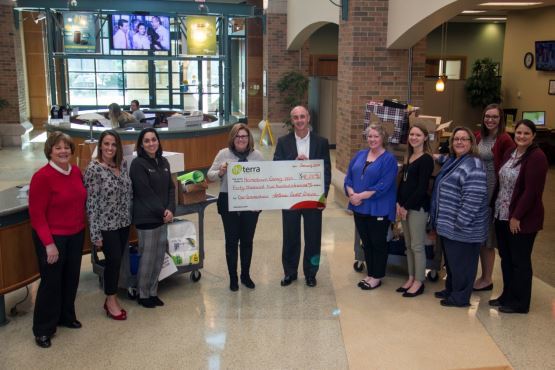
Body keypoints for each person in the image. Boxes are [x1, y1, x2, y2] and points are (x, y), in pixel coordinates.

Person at [28, 132, 87, 348]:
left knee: (71, 279)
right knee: (51, 283)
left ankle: (66, 316)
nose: (63, 151)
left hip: (76, 233)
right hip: (53, 238)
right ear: (50, 151)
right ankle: (43, 329)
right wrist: (49, 244)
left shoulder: (76, 172)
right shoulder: (42, 177)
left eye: (67, 147)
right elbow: (37, 216)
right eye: (58, 148)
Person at [490, 119, 548, 314]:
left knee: (520, 261)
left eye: (526, 133)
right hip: (502, 214)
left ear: (533, 136)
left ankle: (521, 302)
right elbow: (501, 182)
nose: (521, 136)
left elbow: (532, 192)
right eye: (519, 133)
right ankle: (507, 295)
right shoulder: (510, 153)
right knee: (506, 258)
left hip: (521, 218)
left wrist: (516, 216)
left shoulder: (537, 157)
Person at [273, 106, 331, 287]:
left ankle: (311, 273)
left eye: (302, 117)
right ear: (292, 121)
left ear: (308, 119)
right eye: (296, 117)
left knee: (313, 238)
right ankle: (290, 272)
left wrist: (323, 195)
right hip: (291, 197)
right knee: (290, 236)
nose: (299, 120)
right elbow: (276, 166)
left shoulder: (321, 142)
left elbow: (326, 170)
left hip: (313, 198)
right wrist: (293, 163)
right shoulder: (283, 142)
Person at [430, 127, 488, 308]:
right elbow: (443, 159)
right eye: (456, 139)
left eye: (464, 139)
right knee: (453, 263)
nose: (459, 142)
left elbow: (473, 199)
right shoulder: (454, 161)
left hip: (463, 228)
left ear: (472, 143)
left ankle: (460, 297)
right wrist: (431, 155)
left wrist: (460, 223)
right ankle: (451, 289)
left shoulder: (474, 166)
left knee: (463, 265)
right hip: (449, 226)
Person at [207, 124, 264, 291]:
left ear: (249, 138)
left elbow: (264, 181)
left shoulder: (257, 156)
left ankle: (245, 275)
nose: (241, 139)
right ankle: (233, 277)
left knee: (247, 241)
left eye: (244, 136)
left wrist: (259, 203)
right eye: (238, 136)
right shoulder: (223, 153)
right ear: (233, 138)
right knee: (231, 241)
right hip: (228, 201)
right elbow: (209, 175)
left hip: (251, 203)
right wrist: (220, 172)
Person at [84, 130, 132, 320]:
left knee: (118, 260)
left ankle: (111, 295)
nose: (110, 148)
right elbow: (91, 203)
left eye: (113, 144)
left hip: (124, 222)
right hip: (106, 225)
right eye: (106, 144)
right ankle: (110, 299)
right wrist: (95, 234)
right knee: (112, 262)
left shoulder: (123, 164)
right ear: (100, 146)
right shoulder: (94, 169)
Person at [344, 124, 397, 291]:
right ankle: (370, 273)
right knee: (366, 242)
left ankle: (377, 276)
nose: (372, 139)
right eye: (370, 136)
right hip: (359, 208)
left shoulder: (389, 160)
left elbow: (384, 185)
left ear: (383, 139)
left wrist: (360, 196)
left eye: (376, 136)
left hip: (378, 208)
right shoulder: (360, 155)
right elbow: (349, 177)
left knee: (377, 242)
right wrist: (351, 194)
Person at [130, 128, 175, 308]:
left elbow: (171, 188)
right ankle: (143, 294)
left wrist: (171, 210)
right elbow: (145, 193)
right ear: (141, 144)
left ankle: (153, 291)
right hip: (147, 218)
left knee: (158, 257)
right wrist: (163, 212)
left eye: (153, 140)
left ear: (158, 141)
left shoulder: (163, 161)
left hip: (163, 217)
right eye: (147, 141)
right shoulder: (138, 164)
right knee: (147, 258)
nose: (151, 143)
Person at [473, 104, 515, 292]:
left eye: (495, 117)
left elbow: (509, 170)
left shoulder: (505, 140)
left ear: (501, 119)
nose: (490, 120)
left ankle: (487, 278)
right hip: (476, 189)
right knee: (480, 236)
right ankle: (482, 276)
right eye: (487, 116)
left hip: (491, 191)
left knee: (488, 237)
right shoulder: (479, 136)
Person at [396, 124, 434, 297]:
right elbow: (403, 183)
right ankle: (411, 277)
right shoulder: (409, 156)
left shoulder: (426, 159)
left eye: (418, 135)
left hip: (416, 208)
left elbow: (421, 189)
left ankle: (419, 281)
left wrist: (405, 206)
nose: (414, 137)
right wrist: (398, 203)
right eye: (411, 134)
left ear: (425, 137)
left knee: (417, 246)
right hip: (404, 207)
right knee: (408, 245)